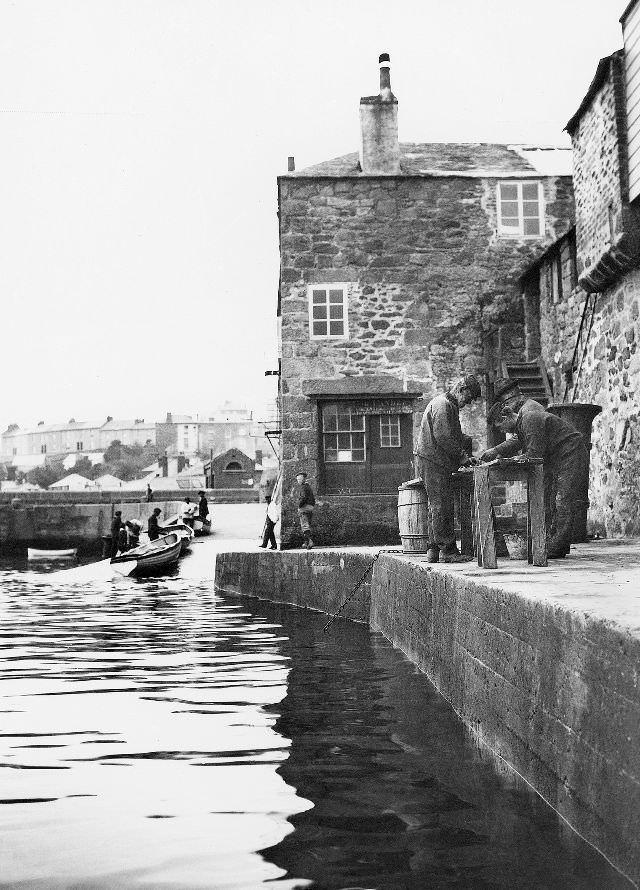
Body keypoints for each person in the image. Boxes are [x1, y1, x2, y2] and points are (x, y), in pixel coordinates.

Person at [482, 397, 589, 558]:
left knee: (563, 500)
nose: (503, 431)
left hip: (571, 453)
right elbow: (525, 446)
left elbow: (534, 455)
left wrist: (509, 461)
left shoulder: (529, 419)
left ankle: (557, 545)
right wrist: (500, 454)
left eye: (500, 427)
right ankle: (557, 544)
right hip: (560, 456)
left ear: (505, 418)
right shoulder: (523, 424)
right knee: (554, 500)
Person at [415, 375, 482, 563]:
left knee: (437, 505)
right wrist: (462, 457)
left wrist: (466, 449)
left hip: (434, 460)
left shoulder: (448, 405)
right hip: (433, 461)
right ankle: (448, 551)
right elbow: (443, 436)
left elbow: (454, 435)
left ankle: (434, 549)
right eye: (468, 398)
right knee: (441, 505)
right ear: (462, 389)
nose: (467, 403)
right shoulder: (443, 405)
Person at [259, 473, 282, 550]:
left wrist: (273, 520)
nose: (266, 501)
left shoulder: (272, 505)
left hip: (272, 520)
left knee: (267, 532)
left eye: (267, 499)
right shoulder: (270, 505)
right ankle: (274, 545)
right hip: (271, 520)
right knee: (271, 533)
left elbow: (274, 514)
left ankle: (264, 544)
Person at [295, 471, 315, 549]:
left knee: (305, 526)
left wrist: (299, 506)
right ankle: (306, 542)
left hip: (304, 507)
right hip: (310, 507)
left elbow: (303, 498)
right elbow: (313, 499)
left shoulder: (303, 487)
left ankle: (310, 542)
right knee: (308, 525)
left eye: (300, 479)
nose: (298, 481)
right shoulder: (308, 487)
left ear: (304, 479)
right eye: (297, 479)